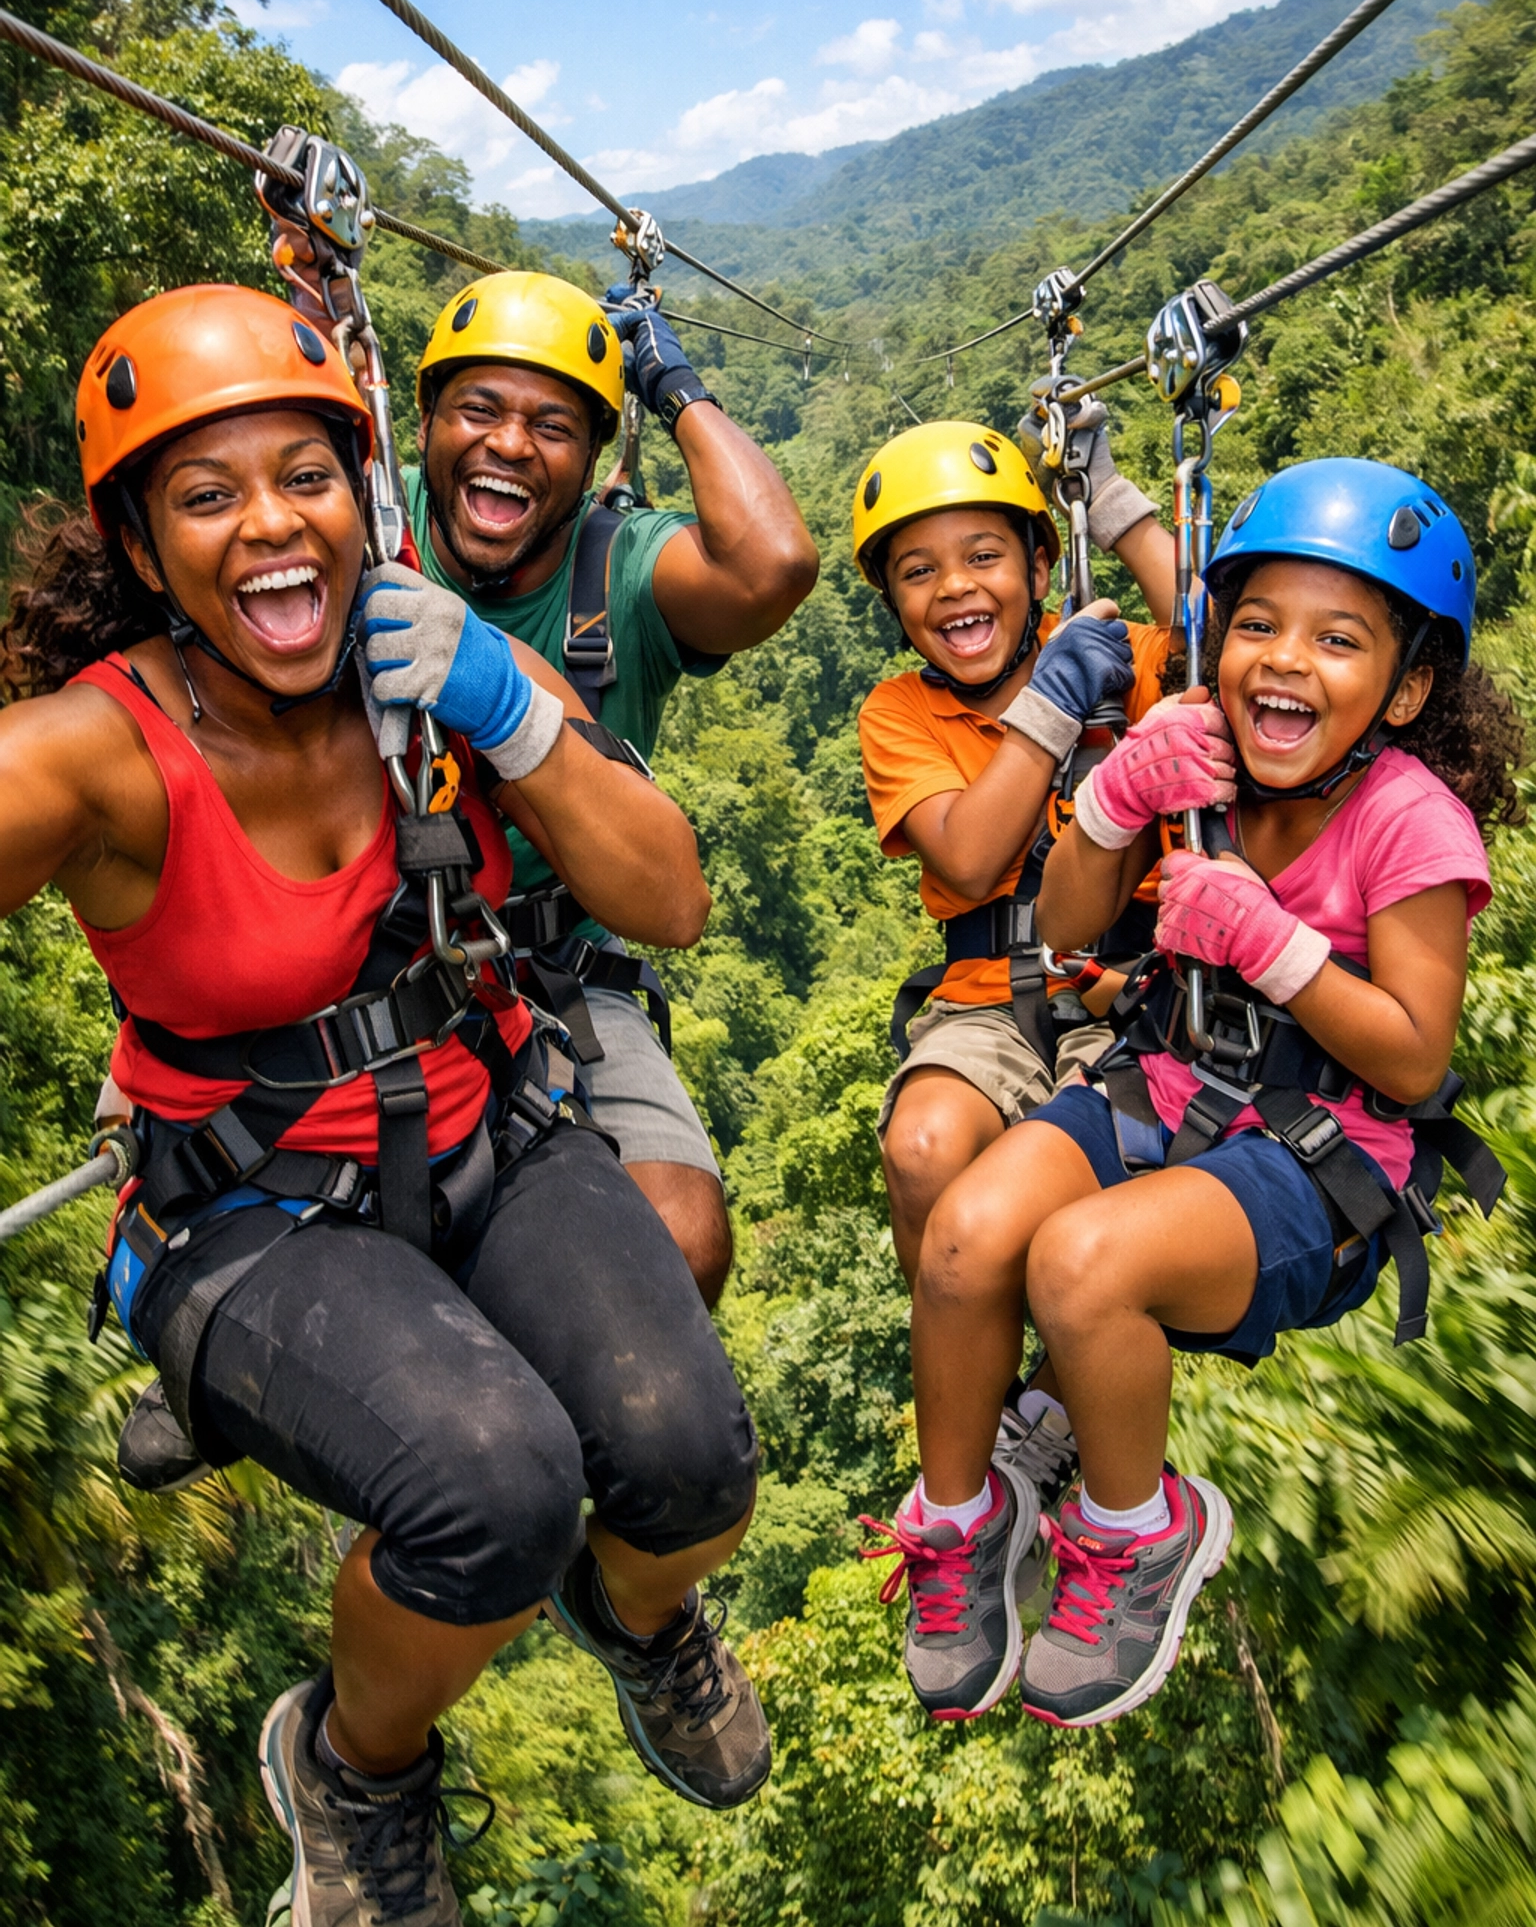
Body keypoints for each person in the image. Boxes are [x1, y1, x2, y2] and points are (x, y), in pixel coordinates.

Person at [3, 285, 769, 1927]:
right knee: (497, 1489)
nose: (274, 525)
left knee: (692, 1462)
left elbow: (671, 897)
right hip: (251, 1205)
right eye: (208, 495)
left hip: (489, 1123)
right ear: (141, 547)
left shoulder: (432, 674)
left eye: (307, 476)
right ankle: (354, 1765)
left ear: (362, 499)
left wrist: (507, 703)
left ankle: (637, 1618)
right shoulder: (96, 754)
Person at [863, 457, 1519, 1730]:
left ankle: (1136, 1531)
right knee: (960, 1237)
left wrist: (1272, 943)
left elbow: (1416, 1058)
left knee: (1078, 1264)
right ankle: (963, 1517)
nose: (1284, 663)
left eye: (1339, 640)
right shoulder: (1205, 769)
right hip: (1165, 1082)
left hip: (1318, 1157)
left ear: (1412, 684)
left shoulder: (1411, 823)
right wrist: (1114, 803)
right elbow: (1063, 932)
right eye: (1257, 627)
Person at [275, 239, 818, 1308]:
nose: (510, 447)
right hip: (366, 952)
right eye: (478, 410)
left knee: (681, 1243)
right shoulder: (371, 532)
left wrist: (674, 385)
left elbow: (775, 566)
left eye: (554, 426)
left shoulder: (616, 568)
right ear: (422, 426)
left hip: (555, 959)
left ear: (597, 462)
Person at [850, 416, 1175, 1686]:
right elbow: (973, 857)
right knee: (924, 1144)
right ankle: (968, 1499)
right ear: (892, 606)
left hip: (1130, 990)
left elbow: (1233, 645)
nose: (955, 591)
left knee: (1057, 1221)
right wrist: (1050, 707)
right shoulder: (900, 715)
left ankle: (1051, 1421)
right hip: (989, 997)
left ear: (1040, 565)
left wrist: (1123, 509)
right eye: (918, 572)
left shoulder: (1116, 655)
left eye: (985, 555)